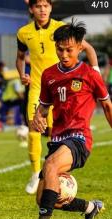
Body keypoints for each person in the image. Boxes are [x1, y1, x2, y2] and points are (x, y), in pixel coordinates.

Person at [24, 20, 112, 219]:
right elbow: (43, 108)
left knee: (51, 165)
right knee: (43, 198)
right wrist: (37, 118)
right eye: (60, 49)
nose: (64, 54)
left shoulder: (90, 75)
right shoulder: (48, 75)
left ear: (80, 48)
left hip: (80, 139)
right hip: (57, 139)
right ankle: (91, 207)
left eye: (69, 50)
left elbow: (108, 106)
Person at [16, 0, 99, 194]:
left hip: (63, 89)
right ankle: (36, 172)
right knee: (33, 127)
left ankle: (58, 169)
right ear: (31, 9)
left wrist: (94, 72)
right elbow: (20, 57)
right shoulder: (23, 33)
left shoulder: (61, 28)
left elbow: (88, 48)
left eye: (46, 6)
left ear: (51, 8)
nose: (42, 10)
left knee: (58, 131)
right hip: (38, 87)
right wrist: (21, 74)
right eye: (38, 6)